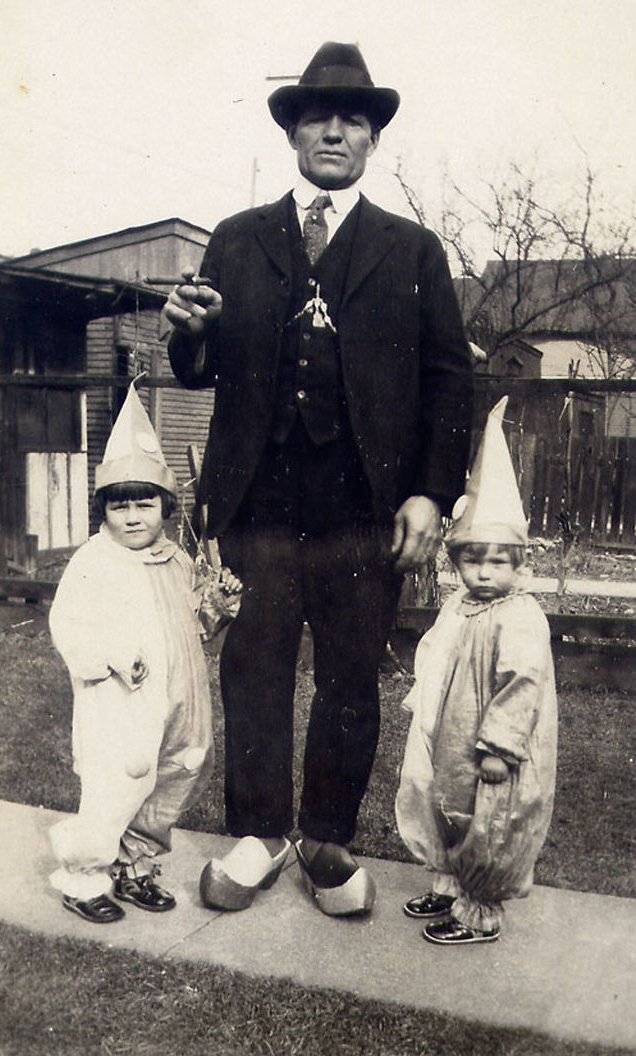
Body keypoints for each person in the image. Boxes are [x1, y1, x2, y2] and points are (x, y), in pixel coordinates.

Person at [165, 41, 474, 917]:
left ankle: (327, 839)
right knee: (253, 669)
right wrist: (187, 330)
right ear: (292, 134)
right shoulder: (237, 239)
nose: (334, 132)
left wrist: (430, 494)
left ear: (372, 139)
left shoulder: (413, 250)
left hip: (363, 512)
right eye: (317, 118)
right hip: (257, 505)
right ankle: (259, 835)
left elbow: (449, 380)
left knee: (349, 677)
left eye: (352, 120)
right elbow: (198, 367)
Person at [48, 380, 238, 923]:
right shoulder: (95, 562)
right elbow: (68, 623)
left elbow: (193, 626)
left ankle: (134, 863)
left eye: (145, 504)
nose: (133, 517)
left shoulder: (176, 559)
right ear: (104, 511)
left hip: (177, 702)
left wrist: (217, 605)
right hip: (121, 705)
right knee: (118, 784)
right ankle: (84, 875)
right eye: (120, 507)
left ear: (165, 507)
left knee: (175, 774)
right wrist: (111, 654)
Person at [395, 397, 558, 944]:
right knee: (444, 800)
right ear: (456, 560)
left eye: (497, 561)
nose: (484, 572)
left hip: (489, 742)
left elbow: (522, 683)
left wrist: (501, 747)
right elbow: (437, 656)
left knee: (486, 815)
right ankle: (448, 882)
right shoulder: (459, 606)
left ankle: (480, 907)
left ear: (518, 562)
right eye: (472, 559)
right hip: (450, 730)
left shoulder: (520, 616)